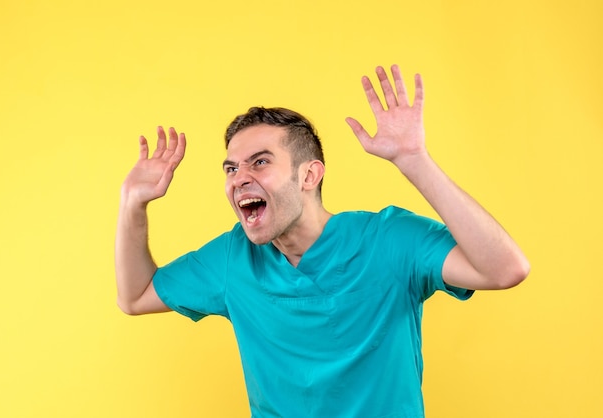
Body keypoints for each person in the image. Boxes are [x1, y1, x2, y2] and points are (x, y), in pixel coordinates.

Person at [115, 64, 530, 417]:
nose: (239, 177)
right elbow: (135, 297)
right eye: (230, 168)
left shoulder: (390, 240)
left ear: (309, 175)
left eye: (260, 162)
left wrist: (413, 160)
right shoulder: (233, 258)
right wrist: (132, 204)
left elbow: (506, 268)